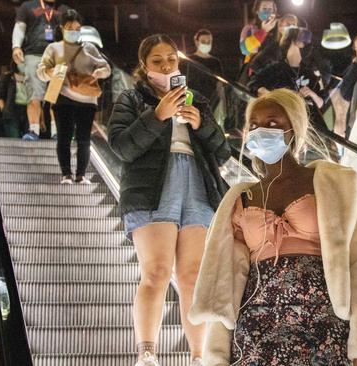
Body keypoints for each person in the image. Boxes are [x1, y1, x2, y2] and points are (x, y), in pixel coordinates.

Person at [187, 88, 357, 365]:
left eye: (272, 123)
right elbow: (225, 279)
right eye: (253, 125)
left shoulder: (335, 183)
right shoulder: (240, 197)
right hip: (255, 327)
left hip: (325, 324)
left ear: (294, 127)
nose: (260, 131)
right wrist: (217, 355)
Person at [107, 34, 231, 366]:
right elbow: (120, 147)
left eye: (171, 60)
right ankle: (147, 352)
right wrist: (156, 116)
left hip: (197, 185)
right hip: (152, 188)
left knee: (192, 275)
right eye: (157, 61)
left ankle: (197, 356)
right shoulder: (130, 99)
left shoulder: (197, 100)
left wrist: (201, 124)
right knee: (158, 271)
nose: (166, 66)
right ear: (144, 66)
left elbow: (223, 152)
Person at [37, 9, 111, 185]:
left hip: (87, 100)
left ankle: (81, 175)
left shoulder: (89, 47)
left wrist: (100, 72)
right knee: (64, 137)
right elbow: (41, 72)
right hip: (62, 98)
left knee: (84, 139)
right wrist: (53, 71)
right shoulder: (53, 48)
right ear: (62, 28)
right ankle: (66, 174)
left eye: (77, 28)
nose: (74, 31)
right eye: (70, 27)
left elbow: (106, 68)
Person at [12, 0, 68, 140]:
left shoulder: (64, 9)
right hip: (33, 55)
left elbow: (72, 31)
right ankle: (34, 131)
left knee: (56, 97)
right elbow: (20, 27)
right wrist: (16, 46)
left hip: (57, 57)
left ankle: (57, 133)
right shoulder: (28, 6)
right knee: (34, 96)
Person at [248, 27, 326, 109]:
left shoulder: (309, 73)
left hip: (303, 118)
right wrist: (273, 97)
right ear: (292, 41)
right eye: (301, 40)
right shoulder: (275, 69)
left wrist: (312, 94)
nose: (305, 44)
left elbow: (321, 104)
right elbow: (253, 84)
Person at [182, 29, 224, 102]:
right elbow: (182, 82)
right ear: (197, 42)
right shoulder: (188, 60)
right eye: (203, 42)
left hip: (211, 101)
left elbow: (219, 85)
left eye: (209, 42)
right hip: (193, 100)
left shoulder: (215, 62)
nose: (206, 44)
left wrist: (221, 103)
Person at [239, 0, 278, 65]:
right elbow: (244, 49)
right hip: (255, 69)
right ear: (257, 11)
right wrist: (263, 31)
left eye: (270, 9)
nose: (267, 11)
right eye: (264, 8)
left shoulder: (279, 28)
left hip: (274, 69)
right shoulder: (249, 28)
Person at [0, 62, 29, 138]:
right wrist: (3, 109)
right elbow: (0, 96)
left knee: (30, 139)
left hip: (29, 111)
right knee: (14, 138)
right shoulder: (8, 76)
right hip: (12, 111)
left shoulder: (32, 77)